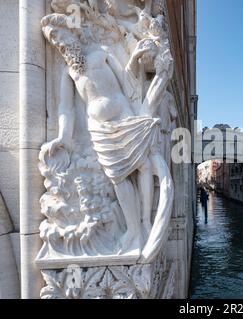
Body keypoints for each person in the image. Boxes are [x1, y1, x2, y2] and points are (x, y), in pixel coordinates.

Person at [40, 12, 172, 259]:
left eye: (59, 35)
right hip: (99, 130)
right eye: (53, 39)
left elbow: (127, 78)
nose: (58, 42)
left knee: (142, 166)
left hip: (122, 115)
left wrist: (133, 58)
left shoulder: (100, 52)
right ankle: (132, 230)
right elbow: (66, 109)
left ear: (71, 32)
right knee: (117, 177)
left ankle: (144, 222)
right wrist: (62, 137)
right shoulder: (68, 73)